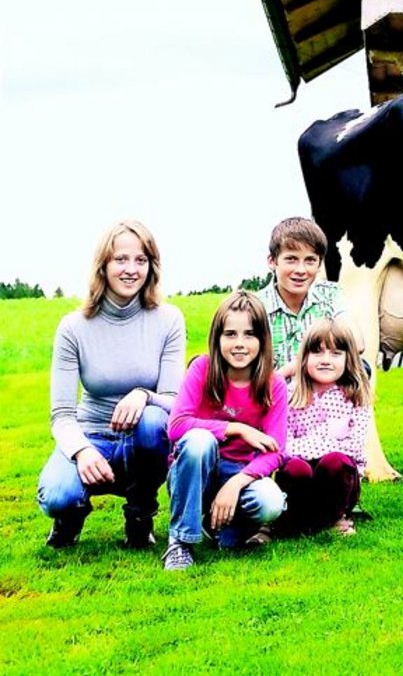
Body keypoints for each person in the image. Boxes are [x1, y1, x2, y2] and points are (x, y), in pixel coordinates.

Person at [38, 220, 185, 549]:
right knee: (56, 495)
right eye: (121, 259)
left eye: (141, 260)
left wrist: (143, 395)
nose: (131, 269)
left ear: (151, 266)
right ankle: (70, 515)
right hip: (92, 435)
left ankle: (140, 515)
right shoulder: (73, 327)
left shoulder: (168, 319)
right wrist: (82, 451)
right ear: (102, 265)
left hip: (142, 441)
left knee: (153, 420)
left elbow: (175, 402)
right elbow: (62, 415)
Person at [163, 291, 288, 570]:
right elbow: (177, 426)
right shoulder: (202, 368)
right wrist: (236, 428)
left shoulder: (274, 385)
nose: (239, 343)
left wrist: (237, 482)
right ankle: (180, 542)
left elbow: (276, 451)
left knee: (270, 501)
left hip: (239, 474)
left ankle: (220, 524)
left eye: (249, 334)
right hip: (195, 473)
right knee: (199, 441)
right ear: (217, 338)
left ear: (263, 340)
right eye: (230, 334)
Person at [277, 319, 371, 536]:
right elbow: (284, 446)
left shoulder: (355, 397)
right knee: (296, 467)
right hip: (302, 477)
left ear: (348, 359)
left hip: (339, 480)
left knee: (334, 461)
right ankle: (296, 518)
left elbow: (354, 447)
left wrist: (311, 446)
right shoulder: (290, 395)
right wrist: (325, 443)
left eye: (336, 353)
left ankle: (336, 516)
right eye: (317, 352)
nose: (326, 360)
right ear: (304, 358)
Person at [256, 217, 354, 381]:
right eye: (291, 259)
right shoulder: (256, 307)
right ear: (272, 261)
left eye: (310, 261)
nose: (301, 270)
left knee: (363, 368)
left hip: (323, 393)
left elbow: (356, 342)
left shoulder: (330, 295)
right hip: (272, 394)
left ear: (319, 264)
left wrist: (292, 368)